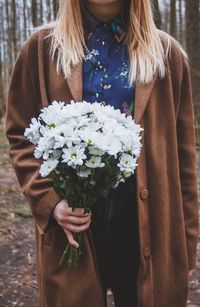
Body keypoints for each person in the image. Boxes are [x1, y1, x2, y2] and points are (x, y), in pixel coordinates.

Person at [5, 0, 199, 307]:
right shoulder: (41, 51)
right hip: (74, 224)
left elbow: (184, 158)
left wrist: (186, 242)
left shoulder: (167, 54)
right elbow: (20, 135)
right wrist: (51, 202)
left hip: (148, 224)